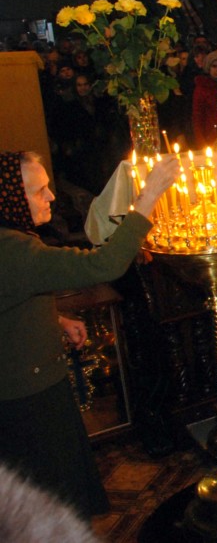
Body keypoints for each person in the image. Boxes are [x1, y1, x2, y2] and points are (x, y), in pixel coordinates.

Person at [0, 151, 177, 518]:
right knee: (51, 497)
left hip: (27, 385)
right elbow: (103, 264)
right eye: (39, 190)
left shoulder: (11, 241)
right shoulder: (14, 250)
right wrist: (149, 197)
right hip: (29, 399)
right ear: (10, 197)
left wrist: (56, 319)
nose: (51, 197)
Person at [192, 49, 217, 148]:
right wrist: (201, 140)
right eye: (214, 66)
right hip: (210, 134)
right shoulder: (202, 87)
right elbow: (197, 116)